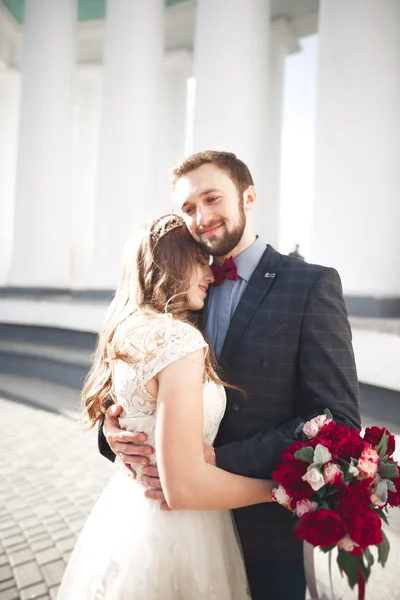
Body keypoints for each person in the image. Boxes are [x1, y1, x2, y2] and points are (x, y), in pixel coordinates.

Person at [100, 151, 361, 600]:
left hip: (266, 533)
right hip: (172, 531)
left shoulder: (312, 284)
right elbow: (139, 385)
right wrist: (113, 431)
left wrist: (218, 461)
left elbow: (335, 418)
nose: (200, 218)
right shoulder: (177, 289)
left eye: (212, 198)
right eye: (187, 208)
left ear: (249, 197)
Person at [57, 214, 277, 600]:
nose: (211, 276)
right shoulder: (178, 339)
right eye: (199, 262)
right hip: (180, 524)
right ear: (170, 263)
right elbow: (185, 488)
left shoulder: (127, 331)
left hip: (126, 514)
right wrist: (277, 491)